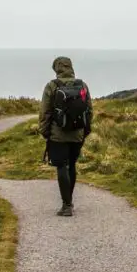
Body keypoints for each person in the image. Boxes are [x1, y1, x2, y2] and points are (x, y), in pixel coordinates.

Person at [39, 56, 93, 217]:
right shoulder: (82, 85)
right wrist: (86, 131)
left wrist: (44, 131)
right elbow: (89, 110)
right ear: (70, 67)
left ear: (57, 68)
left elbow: (45, 111)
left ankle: (67, 205)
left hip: (58, 135)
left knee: (62, 166)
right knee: (72, 165)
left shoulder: (52, 86)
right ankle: (68, 201)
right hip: (77, 134)